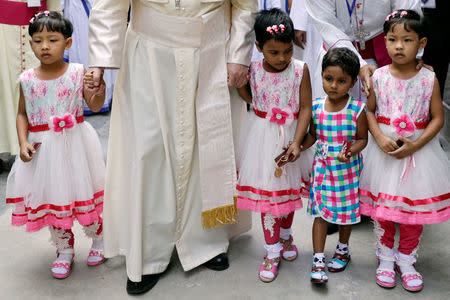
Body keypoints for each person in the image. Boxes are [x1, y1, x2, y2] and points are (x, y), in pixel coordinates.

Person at [86, 0, 257, 295]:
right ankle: (148, 253)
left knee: (207, 145)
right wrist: (99, 62)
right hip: (149, 51)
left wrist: (239, 53)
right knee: (147, 149)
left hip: (211, 49)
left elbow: (245, 4)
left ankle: (208, 241)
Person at [5, 11, 107, 279]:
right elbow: (21, 114)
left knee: (84, 195)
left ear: (68, 43)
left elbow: (94, 104)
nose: (45, 46)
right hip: (43, 152)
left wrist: (99, 89)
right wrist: (23, 140)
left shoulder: (77, 73)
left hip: (76, 148)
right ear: (30, 44)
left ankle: (99, 239)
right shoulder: (26, 79)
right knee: (52, 201)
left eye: (53, 39)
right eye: (38, 40)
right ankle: (64, 249)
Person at [359, 10, 450, 292]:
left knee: (413, 213)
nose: (399, 46)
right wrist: (378, 137)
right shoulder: (380, 77)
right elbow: (370, 111)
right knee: (384, 211)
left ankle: (407, 258)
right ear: (384, 41)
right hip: (384, 154)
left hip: (418, 154)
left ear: (421, 42)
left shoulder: (428, 79)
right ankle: (386, 257)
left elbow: (437, 118)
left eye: (407, 40)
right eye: (392, 39)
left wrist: (416, 145)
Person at [235, 8, 312, 283]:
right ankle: (271, 251)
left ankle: (285, 235)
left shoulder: (301, 70)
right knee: (270, 197)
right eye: (274, 52)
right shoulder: (253, 70)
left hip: (291, 138)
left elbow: (305, 109)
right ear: (259, 47)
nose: (282, 58)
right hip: (262, 140)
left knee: (289, 193)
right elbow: (248, 96)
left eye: (288, 51)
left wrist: (297, 141)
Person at [301, 47, 368, 284]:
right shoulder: (317, 106)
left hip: (347, 171)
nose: (333, 85)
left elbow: (363, 139)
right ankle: (318, 259)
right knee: (320, 214)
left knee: (344, 214)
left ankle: (342, 249)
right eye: (328, 79)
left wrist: (349, 151)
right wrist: (299, 146)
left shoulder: (356, 109)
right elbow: (313, 134)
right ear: (322, 77)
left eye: (341, 81)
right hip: (322, 169)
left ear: (351, 82)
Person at [305, 0, 421, 100]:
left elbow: (409, 16)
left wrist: (414, 57)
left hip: (387, 58)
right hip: (335, 61)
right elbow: (328, 26)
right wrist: (360, 65)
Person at [0, 0, 61, 168]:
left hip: (40, 31)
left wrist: (58, 28)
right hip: (3, 31)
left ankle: (44, 144)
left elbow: (55, 5)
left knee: (41, 87)